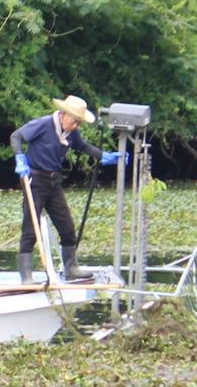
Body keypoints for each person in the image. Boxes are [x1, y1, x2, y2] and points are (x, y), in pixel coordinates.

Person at [11, 95, 123, 283]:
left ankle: (71, 267)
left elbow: (83, 146)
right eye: (74, 121)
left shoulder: (70, 133)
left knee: (67, 227)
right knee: (31, 229)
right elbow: (16, 136)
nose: (75, 126)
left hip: (54, 183)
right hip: (34, 180)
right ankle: (26, 275)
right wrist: (19, 158)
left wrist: (103, 156)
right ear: (63, 115)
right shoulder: (43, 124)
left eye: (79, 123)